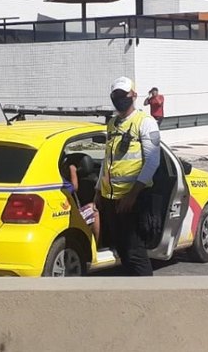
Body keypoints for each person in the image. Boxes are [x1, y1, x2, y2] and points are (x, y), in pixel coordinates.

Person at [98, 77, 161, 277]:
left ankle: (147, 295)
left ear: (133, 95)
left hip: (134, 200)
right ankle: (129, 292)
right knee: (122, 251)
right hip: (112, 200)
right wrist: (98, 193)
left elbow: (152, 161)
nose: (119, 99)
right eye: (115, 95)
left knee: (135, 253)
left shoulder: (145, 122)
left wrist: (132, 196)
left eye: (123, 95)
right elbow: (107, 161)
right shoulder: (112, 124)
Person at [60, 157, 100, 244]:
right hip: (68, 216)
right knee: (94, 209)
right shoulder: (61, 180)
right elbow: (74, 187)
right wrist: (73, 171)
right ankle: (96, 245)